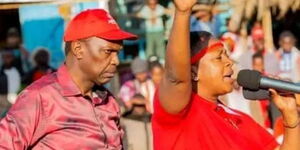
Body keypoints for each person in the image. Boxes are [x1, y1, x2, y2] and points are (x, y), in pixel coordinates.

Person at [152, 0, 300, 150]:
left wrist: (291, 117)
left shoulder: (241, 120)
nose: (229, 62)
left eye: (227, 56)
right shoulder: (178, 109)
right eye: (218, 57)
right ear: (193, 72)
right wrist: (183, 13)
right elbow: (176, 78)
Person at [0, 9, 137, 149]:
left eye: (117, 53)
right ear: (78, 49)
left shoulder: (108, 101)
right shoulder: (40, 98)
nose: (116, 61)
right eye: (108, 51)